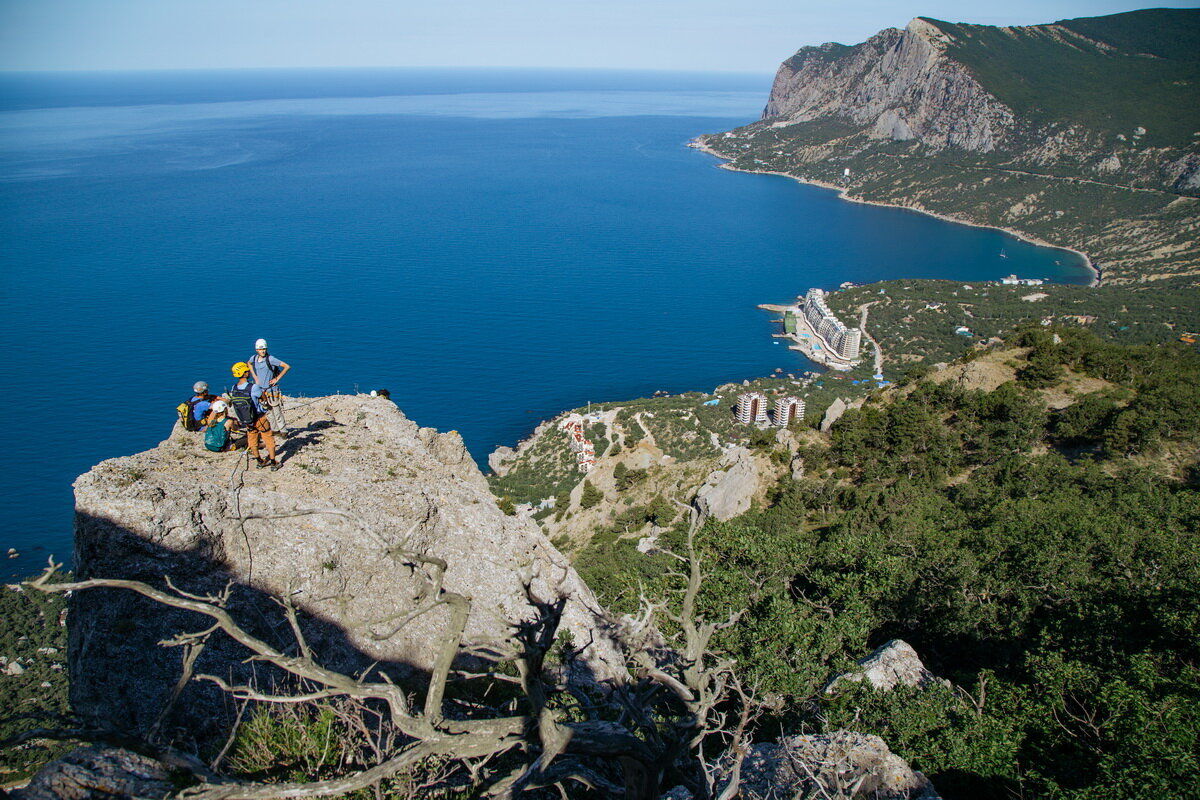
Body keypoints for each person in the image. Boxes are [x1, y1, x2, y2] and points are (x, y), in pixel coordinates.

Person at [230, 362, 281, 470]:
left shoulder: (234, 388)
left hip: (247, 420)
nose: (248, 371)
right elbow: (263, 400)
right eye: (247, 370)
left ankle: (259, 461)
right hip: (259, 417)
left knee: (252, 439)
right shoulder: (253, 387)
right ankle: (273, 462)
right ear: (244, 373)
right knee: (268, 438)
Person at [247, 338, 290, 436]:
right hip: (261, 390)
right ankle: (274, 429)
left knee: (276, 410)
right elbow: (249, 363)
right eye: (261, 349)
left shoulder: (270, 359)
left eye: (264, 349)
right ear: (257, 350)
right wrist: (254, 376)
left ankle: (283, 430)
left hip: (272, 390)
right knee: (268, 411)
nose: (263, 351)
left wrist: (277, 378)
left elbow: (287, 366)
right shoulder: (253, 358)